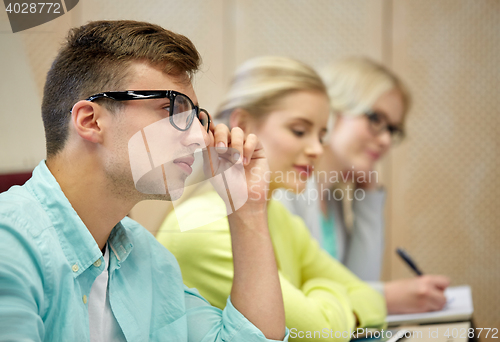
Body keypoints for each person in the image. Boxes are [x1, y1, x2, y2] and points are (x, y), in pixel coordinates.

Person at [0, 20, 288, 341]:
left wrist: (246, 207)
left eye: (196, 117)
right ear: (91, 121)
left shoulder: (146, 257)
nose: (201, 138)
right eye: (171, 110)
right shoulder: (10, 245)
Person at [157, 56, 387, 341]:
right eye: (299, 131)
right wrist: (326, 290)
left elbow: (371, 299)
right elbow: (319, 333)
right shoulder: (203, 226)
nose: (316, 149)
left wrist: (321, 303)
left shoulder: (278, 215)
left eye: (322, 135)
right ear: (242, 124)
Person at [277, 56, 450, 314]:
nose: (385, 141)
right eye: (376, 120)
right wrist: (386, 299)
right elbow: (288, 304)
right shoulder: (284, 189)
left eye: (392, 129)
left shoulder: (331, 198)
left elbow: (359, 285)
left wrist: (368, 197)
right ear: (332, 110)